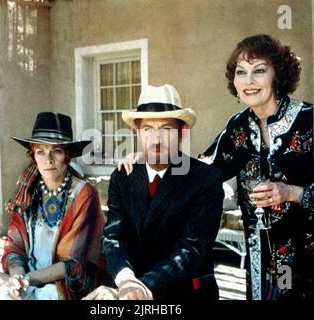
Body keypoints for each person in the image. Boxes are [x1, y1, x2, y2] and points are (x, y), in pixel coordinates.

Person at [117, 35, 314, 300]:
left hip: (312, 255)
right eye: (240, 73)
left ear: (278, 74)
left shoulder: (311, 120)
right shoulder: (239, 127)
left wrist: (292, 192)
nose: (249, 81)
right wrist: (149, 157)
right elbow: (201, 168)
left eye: (259, 71)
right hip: (259, 260)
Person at [83, 84, 224, 300]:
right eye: (148, 129)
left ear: (182, 133)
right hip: (127, 287)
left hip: (183, 293)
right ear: (137, 132)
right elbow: (113, 238)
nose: (156, 139)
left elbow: (191, 249)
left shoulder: (205, 179)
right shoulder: (122, 177)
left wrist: (138, 288)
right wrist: (124, 279)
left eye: (166, 129)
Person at [0, 112, 106, 300]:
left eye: (56, 151)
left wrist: (27, 279)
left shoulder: (84, 194)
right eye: (41, 151)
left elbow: (73, 263)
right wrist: (16, 278)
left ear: (68, 155)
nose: (48, 159)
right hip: (28, 277)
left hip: (67, 285)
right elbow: (15, 247)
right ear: (33, 155)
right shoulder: (27, 191)